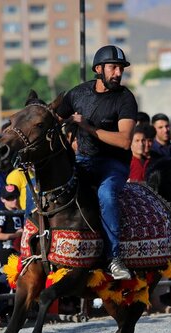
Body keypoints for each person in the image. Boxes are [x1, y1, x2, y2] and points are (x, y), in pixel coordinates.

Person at [56, 45, 138, 280]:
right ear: (98, 69)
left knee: (107, 195)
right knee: (50, 188)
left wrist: (88, 129)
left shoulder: (125, 99)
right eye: (113, 68)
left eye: (120, 69)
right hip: (82, 160)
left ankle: (114, 258)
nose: (118, 73)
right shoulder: (77, 93)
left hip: (113, 165)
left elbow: (124, 141)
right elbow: (55, 119)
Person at [0, 185, 24, 266]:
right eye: (10, 198)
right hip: (7, 253)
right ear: (2, 199)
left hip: (20, 252)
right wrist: (16, 235)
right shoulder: (1, 214)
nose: (14, 200)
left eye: (16, 197)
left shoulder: (20, 212)